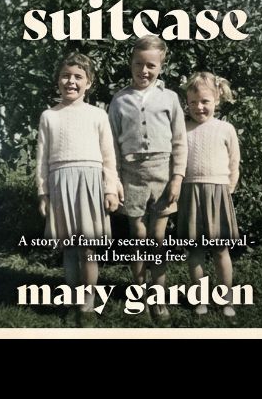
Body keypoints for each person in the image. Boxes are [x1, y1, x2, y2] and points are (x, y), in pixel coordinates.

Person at [36, 52, 120, 324]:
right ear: (57, 80)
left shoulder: (98, 115)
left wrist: (110, 188)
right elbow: (42, 158)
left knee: (87, 249)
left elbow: (109, 156)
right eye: (65, 76)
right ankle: (72, 300)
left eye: (78, 77)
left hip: (89, 183)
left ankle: (88, 303)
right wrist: (43, 193)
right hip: (60, 184)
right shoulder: (49, 116)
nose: (70, 81)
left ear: (89, 82)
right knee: (69, 249)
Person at [107, 35, 186, 321]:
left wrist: (177, 177)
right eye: (138, 64)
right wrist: (114, 180)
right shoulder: (119, 100)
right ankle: (138, 289)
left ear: (161, 66)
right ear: (130, 63)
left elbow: (180, 140)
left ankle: (158, 294)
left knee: (157, 235)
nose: (144, 70)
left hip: (162, 173)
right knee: (137, 234)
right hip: (131, 174)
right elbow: (111, 145)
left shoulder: (170, 98)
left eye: (151, 65)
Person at [178, 72, 241, 317]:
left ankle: (227, 298)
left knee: (220, 249)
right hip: (190, 192)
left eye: (205, 101)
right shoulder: (183, 128)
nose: (199, 107)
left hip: (218, 192)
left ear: (217, 99)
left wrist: (229, 188)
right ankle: (200, 298)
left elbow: (234, 162)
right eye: (193, 102)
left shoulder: (225, 129)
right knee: (194, 250)